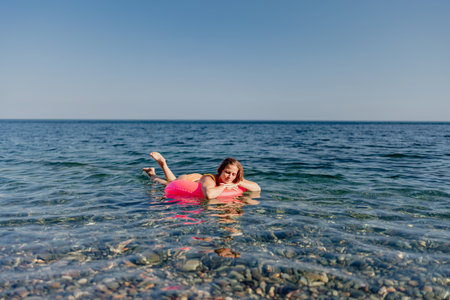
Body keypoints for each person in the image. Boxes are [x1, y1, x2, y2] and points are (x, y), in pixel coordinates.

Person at [143, 152, 261, 199]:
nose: (230, 176)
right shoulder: (209, 179)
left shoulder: (234, 179)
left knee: (169, 183)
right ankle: (157, 169)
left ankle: (153, 171)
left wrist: (238, 182)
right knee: (169, 183)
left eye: (233, 174)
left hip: (197, 180)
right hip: (191, 179)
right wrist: (224, 187)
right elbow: (209, 195)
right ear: (220, 170)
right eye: (227, 172)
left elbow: (257, 188)